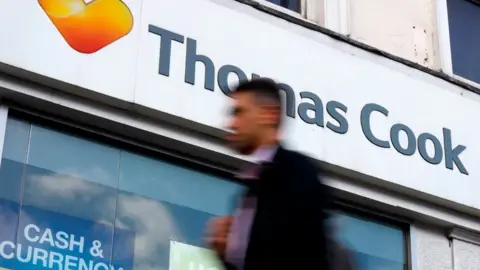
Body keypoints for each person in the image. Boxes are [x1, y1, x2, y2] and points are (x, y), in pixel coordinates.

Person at [205, 78, 331, 270]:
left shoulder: (297, 174)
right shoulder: (252, 188)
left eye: (239, 112)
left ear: (268, 115)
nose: (231, 123)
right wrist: (226, 255)